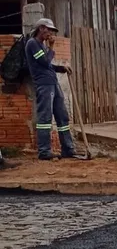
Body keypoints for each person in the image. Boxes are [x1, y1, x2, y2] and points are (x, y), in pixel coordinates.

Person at [25, 18, 74, 160]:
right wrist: (51, 47)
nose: (51, 33)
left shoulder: (42, 45)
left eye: (52, 31)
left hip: (52, 82)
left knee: (62, 117)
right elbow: (45, 62)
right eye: (49, 30)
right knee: (45, 118)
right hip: (44, 84)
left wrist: (61, 68)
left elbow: (48, 66)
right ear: (41, 28)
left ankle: (68, 149)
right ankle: (44, 152)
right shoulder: (32, 44)